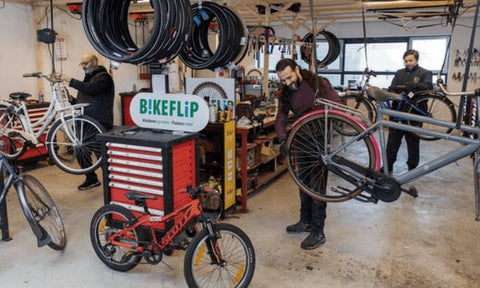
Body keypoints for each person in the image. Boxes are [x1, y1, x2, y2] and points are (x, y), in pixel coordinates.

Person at [275, 58, 340, 250]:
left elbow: (337, 103)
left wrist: (319, 110)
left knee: (317, 187)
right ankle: (305, 221)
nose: (287, 83)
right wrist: (281, 139)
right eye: (283, 80)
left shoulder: (318, 83)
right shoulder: (286, 92)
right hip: (300, 140)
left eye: (289, 77)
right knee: (302, 182)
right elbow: (281, 117)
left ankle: (318, 231)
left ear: (297, 69)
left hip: (319, 140)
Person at [63, 52, 115, 190]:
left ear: (93, 62)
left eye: (85, 63)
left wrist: (71, 81)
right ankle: (91, 178)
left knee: (102, 154)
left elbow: (93, 90)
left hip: (99, 123)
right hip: (84, 123)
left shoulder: (104, 78)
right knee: (81, 151)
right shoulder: (87, 80)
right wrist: (71, 100)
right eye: (82, 64)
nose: (83, 67)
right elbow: (83, 101)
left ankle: (112, 182)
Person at [385, 49, 433, 173]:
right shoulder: (399, 73)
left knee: (413, 143)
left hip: (414, 114)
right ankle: (387, 166)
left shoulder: (425, 73)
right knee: (392, 143)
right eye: (406, 61)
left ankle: (412, 169)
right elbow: (392, 88)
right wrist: (397, 90)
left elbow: (428, 86)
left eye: (411, 60)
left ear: (416, 60)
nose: (408, 63)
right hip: (397, 112)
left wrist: (411, 86)